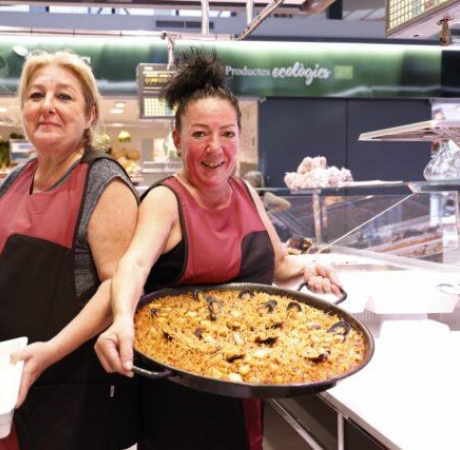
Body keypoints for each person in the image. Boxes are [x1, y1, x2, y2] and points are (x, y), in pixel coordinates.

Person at [94, 51, 342, 450]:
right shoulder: (166, 200)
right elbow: (134, 263)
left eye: (227, 133)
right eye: (199, 134)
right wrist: (122, 318)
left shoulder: (245, 191)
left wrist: (309, 267)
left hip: (249, 382)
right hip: (184, 397)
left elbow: (278, 265)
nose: (215, 148)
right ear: (177, 138)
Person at [0, 50, 138, 450]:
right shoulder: (17, 176)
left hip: (69, 393)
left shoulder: (105, 183)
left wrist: (48, 353)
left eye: (64, 97)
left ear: (90, 115)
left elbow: (118, 285)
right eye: (36, 95)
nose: (47, 106)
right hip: (1, 383)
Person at [242, 170, 294, 242]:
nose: (245, 181)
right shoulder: (245, 194)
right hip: (250, 229)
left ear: (256, 182)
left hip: (264, 229)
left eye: (248, 179)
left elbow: (286, 204)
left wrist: (269, 212)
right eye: (245, 178)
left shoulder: (266, 195)